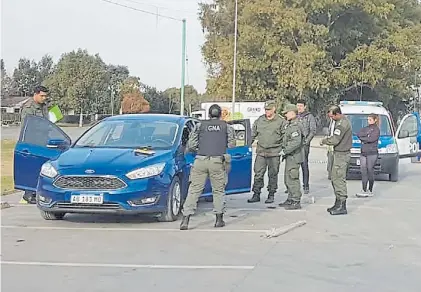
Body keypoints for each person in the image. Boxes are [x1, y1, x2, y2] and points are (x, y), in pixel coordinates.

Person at [180, 104, 236, 230]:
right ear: (220, 114)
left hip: (200, 160)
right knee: (218, 191)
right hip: (217, 161)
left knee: (194, 190)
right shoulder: (227, 127)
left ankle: (185, 220)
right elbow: (232, 144)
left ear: (209, 114)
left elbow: (192, 144)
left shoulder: (200, 125)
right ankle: (218, 220)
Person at [247, 100, 287, 204]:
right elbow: (252, 134)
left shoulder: (281, 121)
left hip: (274, 152)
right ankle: (256, 194)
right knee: (258, 173)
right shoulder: (260, 120)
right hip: (261, 152)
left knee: (273, 174)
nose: (267, 112)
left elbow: (285, 136)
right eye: (265, 109)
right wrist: (246, 145)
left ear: (274, 109)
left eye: (269, 109)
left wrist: (284, 149)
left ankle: (271, 194)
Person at [20, 85, 50, 204]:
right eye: (42, 96)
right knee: (31, 167)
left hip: (43, 142)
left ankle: (37, 192)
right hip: (32, 142)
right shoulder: (28, 107)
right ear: (36, 94)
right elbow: (27, 127)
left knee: (41, 168)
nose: (44, 98)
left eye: (45, 96)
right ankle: (28, 194)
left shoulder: (44, 106)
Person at [320, 105, 352, 215]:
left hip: (342, 155)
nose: (331, 119)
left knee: (339, 179)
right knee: (334, 178)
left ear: (337, 114)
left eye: (332, 116)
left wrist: (324, 141)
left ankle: (342, 205)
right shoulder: (339, 122)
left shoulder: (342, 124)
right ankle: (337, 203)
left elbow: (335, 139)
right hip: (338, 154)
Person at [278, 104, 304, 210]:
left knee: (293, 178)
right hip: (290, 156)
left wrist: (285, 151)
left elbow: (296, 142)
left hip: (294, 156)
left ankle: (296, 200)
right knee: (287, 179)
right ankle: (290, 198)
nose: (285, 115)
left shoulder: (295, 126)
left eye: (287, 113)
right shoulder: (289, 124)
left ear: (293, 113)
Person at [356, 114, 380, 197]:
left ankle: (370, 189)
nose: (368, 121)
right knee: (363, 170)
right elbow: (359, 134)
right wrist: (365, 137)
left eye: (370, 119)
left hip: (372, 153)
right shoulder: (366, 128)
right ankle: (363, 189)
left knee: (370, 170)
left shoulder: (376, 130)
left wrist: (364, 138)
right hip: (363, 152)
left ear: (375, 120)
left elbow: (372, 139)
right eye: (368, 119)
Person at [296, 99, 316, 194]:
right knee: (293, 166)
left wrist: (306, 141)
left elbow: (313, 131)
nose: (299, 108)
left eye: (300, 106)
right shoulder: (295, 116)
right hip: (294, 144)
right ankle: (293, 186)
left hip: (304, 145)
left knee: (304, 165)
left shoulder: (309, 117)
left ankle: (306, 185)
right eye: (298, 106)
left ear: (304, 107)